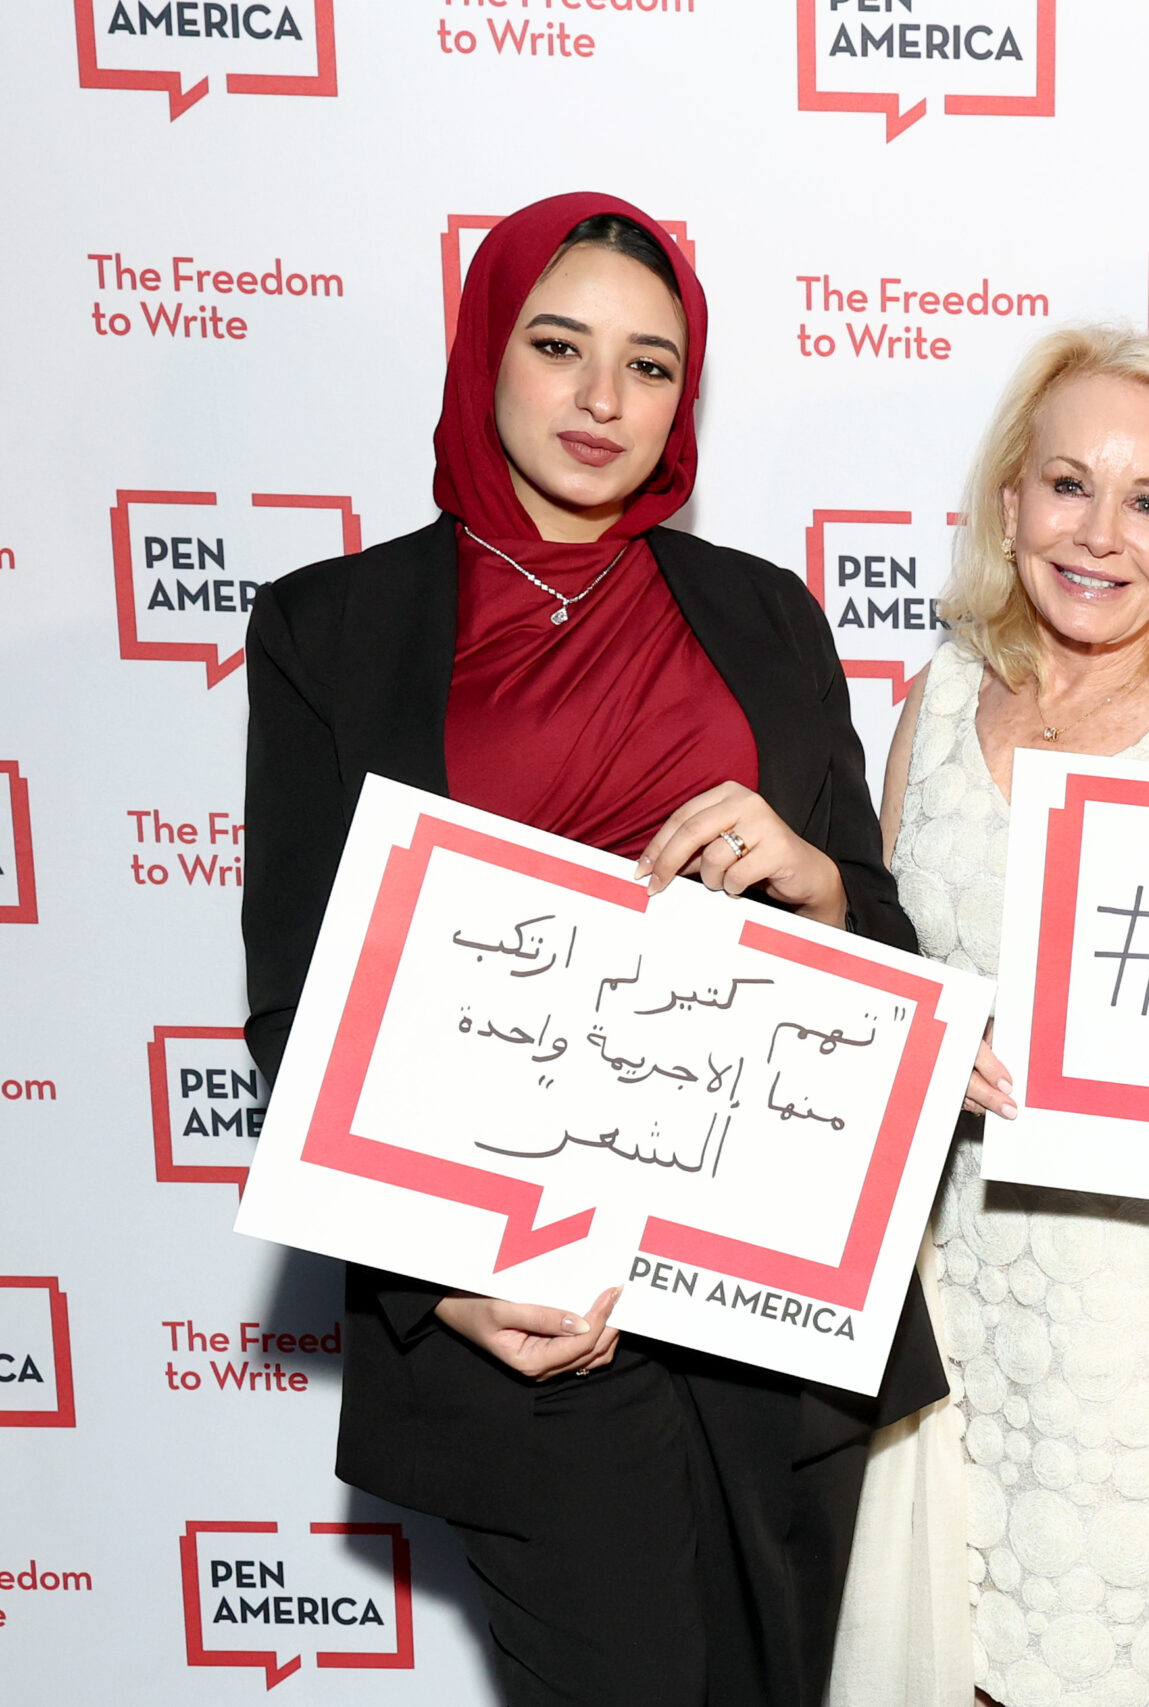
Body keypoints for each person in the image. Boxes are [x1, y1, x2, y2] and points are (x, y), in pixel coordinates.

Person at [241, 192, 946, 1707]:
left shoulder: (765, 614)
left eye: (651, 364)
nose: (604, 399)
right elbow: (300, 1004)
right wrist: (437, 1279)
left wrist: (821, 884)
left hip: (768, 1312)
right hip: (531, 1319)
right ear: (488, 349)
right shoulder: (333, 628)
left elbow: (884, 940)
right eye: (560, 346)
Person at [830, 326, 1149, 1707]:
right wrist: (919, 1039)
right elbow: (869, 970)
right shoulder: (935, 701)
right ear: (1010, 504)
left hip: (1123, 1309)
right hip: (927, 1274)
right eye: (1069, 485)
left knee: (1086, 1666)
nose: (1101, 534)